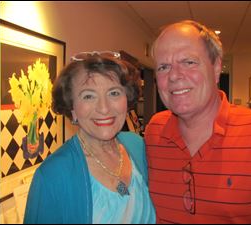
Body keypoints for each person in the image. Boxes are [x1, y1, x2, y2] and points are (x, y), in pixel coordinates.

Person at [144, 20, 251, 224]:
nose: (174, 76)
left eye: (189, 62)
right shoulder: (154, 131)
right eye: (163, 67)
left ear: (216, 68)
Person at [24, 51, 156, 223]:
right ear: (72, 108)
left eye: (114, 93)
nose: (104, 108)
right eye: (88, 96)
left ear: (126, 98)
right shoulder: (52, 175)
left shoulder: (137, 146)